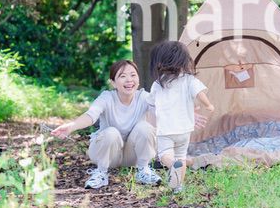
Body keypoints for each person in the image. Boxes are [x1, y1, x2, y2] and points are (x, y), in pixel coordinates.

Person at [51, 60, 162, 189]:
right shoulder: (106, 97)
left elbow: (162, 115)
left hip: (133, 155)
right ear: (113, 82)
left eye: (133, 75)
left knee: (145, 128)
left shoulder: (145, 97)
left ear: (138, 79)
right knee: (111, 132)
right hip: (107, 154)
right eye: (122, 76)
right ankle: (101, 173)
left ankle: (144, 170)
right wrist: (71, 126)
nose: (129, 80)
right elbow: (91, 115)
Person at [147, 41, 214, 193]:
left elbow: (151, 105)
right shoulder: (189, 80)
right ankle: (178, 186)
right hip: (184, 130)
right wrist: (208, 105)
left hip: (166, 130)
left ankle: (171, 165)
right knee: (181, 157)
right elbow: (200, 94)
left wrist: (153, 125)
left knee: (165, 155)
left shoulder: (158, 84)